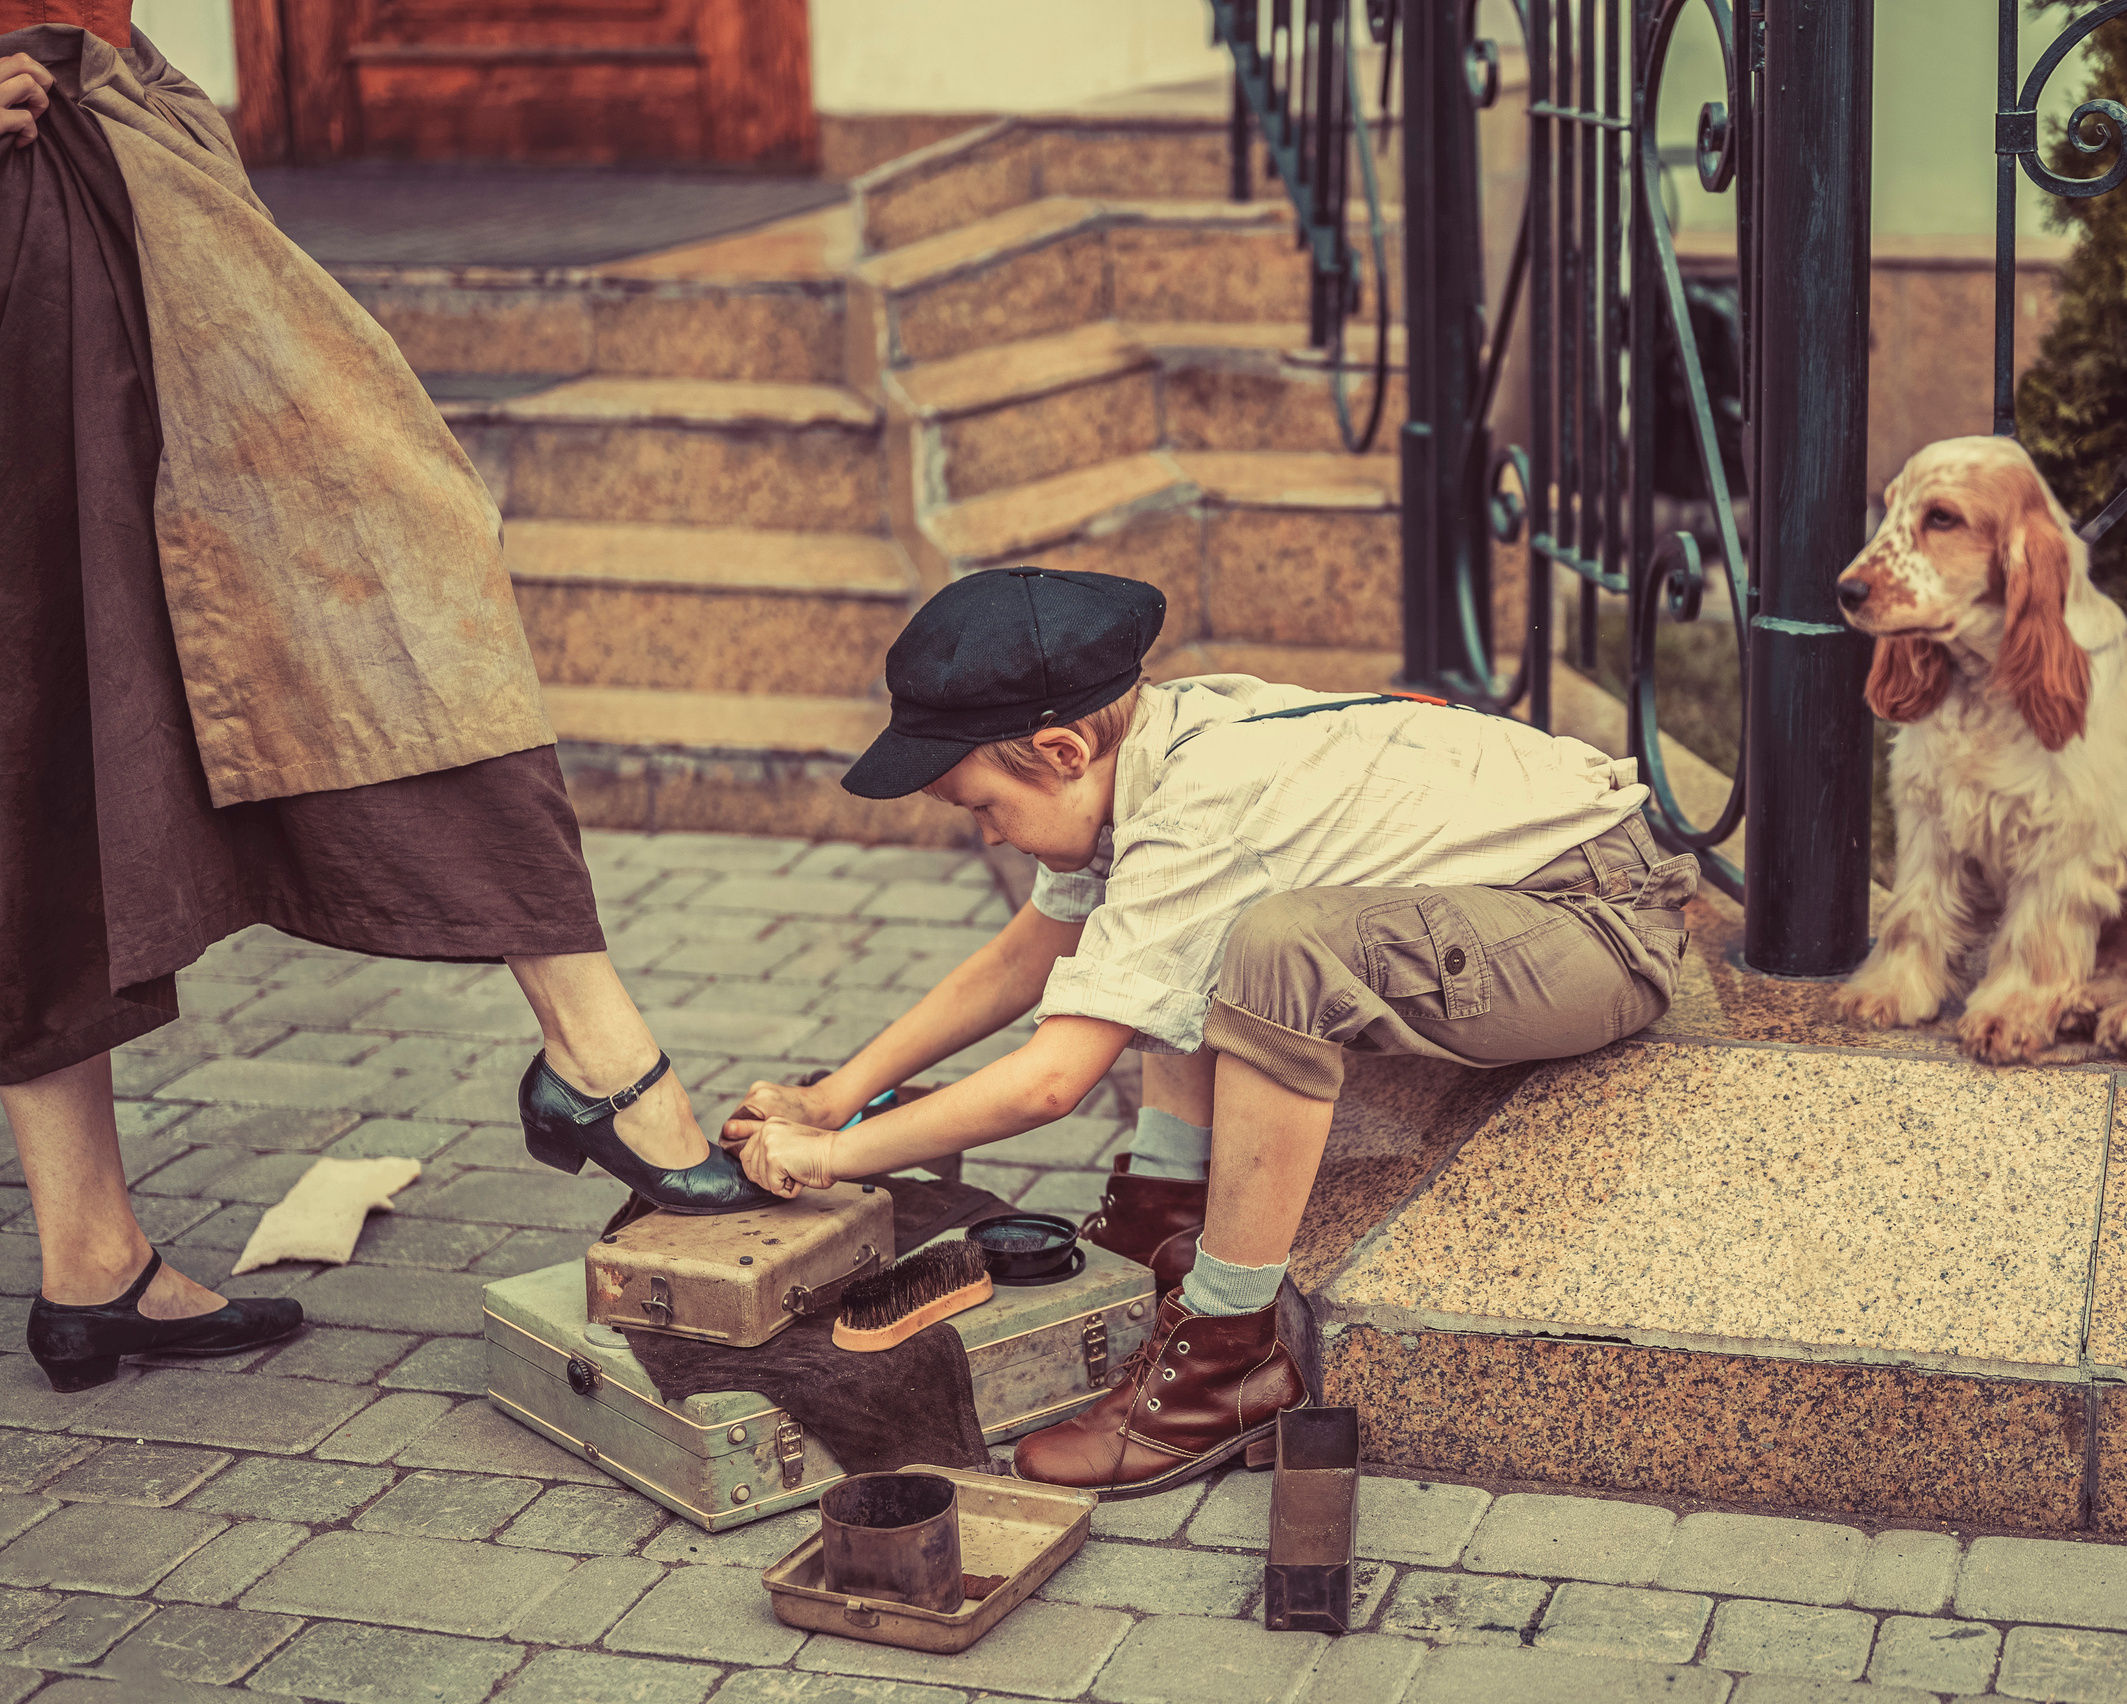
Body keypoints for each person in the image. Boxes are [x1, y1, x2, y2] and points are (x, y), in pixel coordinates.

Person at [1, 16, 767, 1396]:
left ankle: (91, 1260)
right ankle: (604, 1060)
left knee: (69, 688)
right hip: (31, 195)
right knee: (92, 682)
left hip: (109, 137)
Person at [720, 568, 1697, 1498]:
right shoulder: (1143, 757)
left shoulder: (1199, 808)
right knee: (1164, 937)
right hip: (1513, 902)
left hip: (1595, 922)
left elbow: (1050, 1083)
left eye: (984, 807)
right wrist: (834, 1091)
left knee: (1277, 946)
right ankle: (1163, 1208)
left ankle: (1229, 1355)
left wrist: (832, 1154)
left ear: (1062, 752)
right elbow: (1028, 959)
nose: (987, 835)